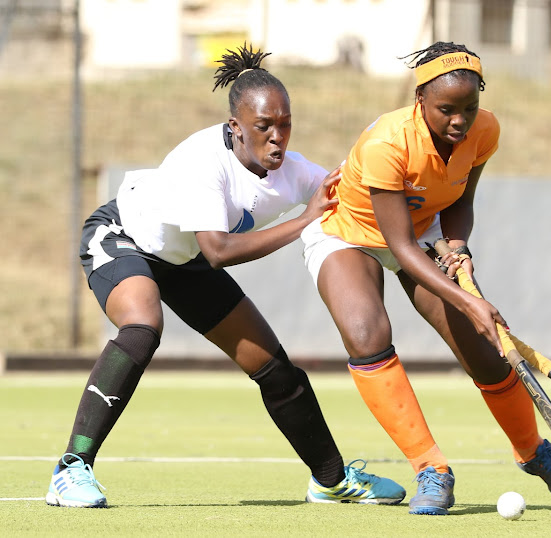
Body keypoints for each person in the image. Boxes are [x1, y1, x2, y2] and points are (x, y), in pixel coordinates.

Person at [45, 44, 405, 509]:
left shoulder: (292, 173)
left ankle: (331, 480)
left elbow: (358, 198)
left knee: (276, 369)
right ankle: (71, 469)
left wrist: (431, 238)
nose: (278, 138)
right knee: (142, 326)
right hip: (124, 238)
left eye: (285, 124)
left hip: (184, 259)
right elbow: (218, 251)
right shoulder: (202, 161)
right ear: (235, 128)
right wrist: (303, 221)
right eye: (263, 127)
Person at [300, 41, 551, 516]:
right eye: (446, 110)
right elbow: (402, 249)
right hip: (350, 231)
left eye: (469, 107)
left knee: (481, 343)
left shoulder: (484, 130)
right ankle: (431, 469)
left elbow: (460, 201)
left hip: (423, 228)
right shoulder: (387, 144)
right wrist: (471, 300)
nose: (460, 120)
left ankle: (532, 450)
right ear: (420, 101)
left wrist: (459, 246)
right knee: (368, 334)